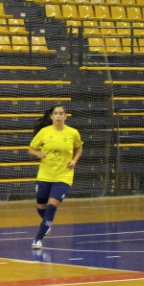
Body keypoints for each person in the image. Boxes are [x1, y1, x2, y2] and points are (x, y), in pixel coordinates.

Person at [28, 105, 83, 250]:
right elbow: (30, 148)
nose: (58, 116)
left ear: (65, 116)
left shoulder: (73, 133)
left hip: (64, 176)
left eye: (61, 113)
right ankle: (47, 224)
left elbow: (79, 147)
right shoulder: (44, 132)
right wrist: (37, 154)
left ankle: (37, 239)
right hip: (45, 175)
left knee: (51, 207)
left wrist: (74, 160)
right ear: (52, 116)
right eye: (56, 114)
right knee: (41, 206)